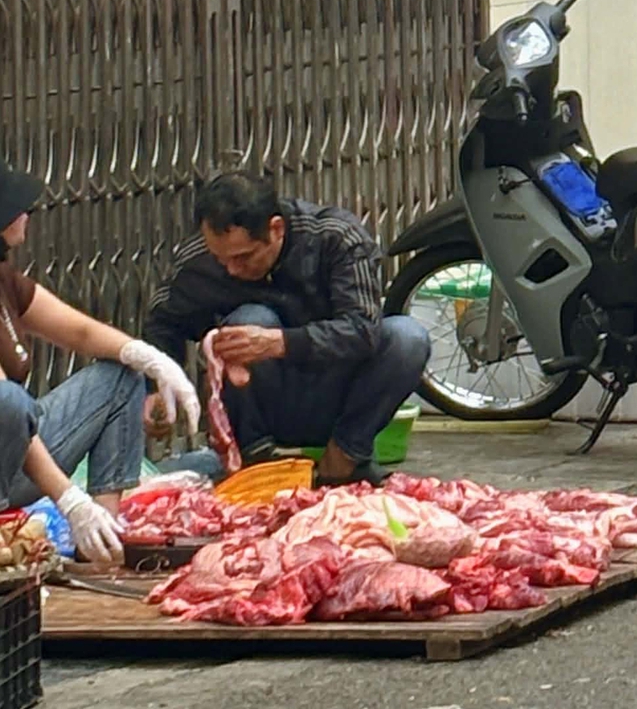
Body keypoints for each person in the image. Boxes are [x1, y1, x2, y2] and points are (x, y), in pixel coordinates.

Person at [0, 145, 200, 562]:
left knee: (119, 375)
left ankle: (104, 539)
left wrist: (153, 360)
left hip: (4, 449)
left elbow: (80, 331)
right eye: (11, 208)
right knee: (7, 398)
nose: (25, 213)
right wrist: (70, 501)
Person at [144, 171, 429, 487]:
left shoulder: (336, 238)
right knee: (248, 319)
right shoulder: (199, 260)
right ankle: (254, 462)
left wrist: (279, 343)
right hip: (263, 405)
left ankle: (345, 458)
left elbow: (362, 330)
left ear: (275, 229)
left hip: (339, 396)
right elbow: (162, 323)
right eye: (220, 259)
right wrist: (157, 389)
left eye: (244, 257)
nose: (232, 269)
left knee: (408, 338)